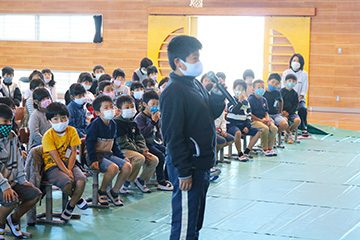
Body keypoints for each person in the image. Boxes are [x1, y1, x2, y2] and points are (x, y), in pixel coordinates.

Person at [160, 35, 225, 240]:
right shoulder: (173, 91)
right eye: (194, 58)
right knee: (184, 224)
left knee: (195, 221)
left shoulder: (194, 84)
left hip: (202, 163)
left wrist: (217, 93)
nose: (199, 63)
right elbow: (173, 135)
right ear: (179, 62)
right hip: (188, 165)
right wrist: (183, 172)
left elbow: (209, 114)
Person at [0, 103, 42, 239]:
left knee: (35, 194)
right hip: (2, 183)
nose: (8, 125)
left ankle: (13, 219)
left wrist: (22, 180)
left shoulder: (12, 136)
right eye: (4, 122)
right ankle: (0, 224)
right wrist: (5, 186)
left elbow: (18, 160)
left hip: (11, 180)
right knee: (11, 199)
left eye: (9, 121)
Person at [42, 102, 88, 221]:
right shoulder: (48, 136)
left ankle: (70, 206)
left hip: (70, 163)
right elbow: (55, 157)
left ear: (68, 118)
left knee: (81, 180)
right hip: (53, 166)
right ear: (49, 121)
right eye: (55, 119)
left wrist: (70, 169)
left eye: (63, 118)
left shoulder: (72, 131)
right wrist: (66, 172)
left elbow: (73, 152)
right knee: (67, 182)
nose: (60, 121)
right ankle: (76, 198)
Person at [85, 95, 132, 206]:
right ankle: (102, 191)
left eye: (111, 106)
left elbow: (114, 143)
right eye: (106, 108)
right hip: (96, 156)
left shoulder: (113, 124)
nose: (110, 110)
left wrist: (121, 157)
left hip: (108, 154)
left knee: (127, 166)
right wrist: (93, 160)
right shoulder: (95, 125)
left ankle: (114, 192)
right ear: (97, 112)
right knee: (113, 168)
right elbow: (89, 144)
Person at [114, 95, 159, 193]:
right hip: (122, 149)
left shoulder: (132, 122)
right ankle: (125, 182)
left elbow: (140, 138)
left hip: (135, 149)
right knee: (139, 158)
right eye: (127, 107)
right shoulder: (117, 122)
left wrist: (144, 149)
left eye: (132, 106)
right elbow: (123, 142)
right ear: (119, 110)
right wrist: (141, 151)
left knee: (154, 160)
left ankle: (140, 180)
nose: (130, 109)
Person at [134, 90, 173, 191]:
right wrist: (152, 122)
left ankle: (166, 177)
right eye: (152, 104)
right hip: (145, 144)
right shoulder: (140, 118)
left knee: (170, 152)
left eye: (157, 104)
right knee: (160, 155)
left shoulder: (156, 115)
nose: (155, 106)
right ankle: (160, 181)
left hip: (155, 142)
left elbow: (158, 132)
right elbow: (142, 135)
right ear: (145, 104)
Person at [226, 79, 260, 161]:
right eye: (238, 89)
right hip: (232, 125)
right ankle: (239, 153)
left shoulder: (246, 102)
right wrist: (240, 102)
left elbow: (248, 115)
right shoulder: (230, 100)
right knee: (238, 132)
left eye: (242, 89)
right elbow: (233, 110)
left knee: (258, 131)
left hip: (242, 125)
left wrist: (247, 126)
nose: (240, 91)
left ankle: (247, 151)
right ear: (234, 89)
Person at [248, 79, 278, 156]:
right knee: (265, 128)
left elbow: (266, 112)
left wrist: (267, 119)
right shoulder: (250, 99)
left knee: (274, 128)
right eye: (259, 87)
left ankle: (270, 148)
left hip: (263, 120)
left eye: (262, 87)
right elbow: (249, 114)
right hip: (253, 121)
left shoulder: (264, 99)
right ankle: (264, 148)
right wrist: (261, 120)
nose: (261, 89)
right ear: (253, 89)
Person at [282, 53, 309, 136]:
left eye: (298, 61)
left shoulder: (304, 74)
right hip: (286, 99)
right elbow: (283, 87)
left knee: (303, 109)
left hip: (299, 99)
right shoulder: (286, 72)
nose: (295, 62)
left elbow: (305, 87)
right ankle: (284, 128)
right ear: (291, 62)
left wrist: (299, 97)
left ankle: (304, 127)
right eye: (294, 60)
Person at [263, 73, 289, 138]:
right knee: (272, 125)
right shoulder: (263, 92)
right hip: (267, 115)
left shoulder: (277, 92)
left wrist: (280, 112)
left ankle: (273, 136)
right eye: (273, 82)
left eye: (277, 83)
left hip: (276, 114)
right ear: (268, 81)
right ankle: (271, 137)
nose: (274, 84)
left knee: (285, 124)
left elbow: (281, 101)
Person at [281, 74, 302, 144]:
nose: (291, 82)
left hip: (291, 113)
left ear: (295, 83)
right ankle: (289, 135)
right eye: (289, 80)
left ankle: (288, 132)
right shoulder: (281, 92)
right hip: (282, 113)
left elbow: (295, 106)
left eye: (293, 81)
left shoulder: (295, 94)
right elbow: (279, 103)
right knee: (285, 120)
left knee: (298, 120)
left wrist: (289, 113)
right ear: (285, 82)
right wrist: (282, 112)